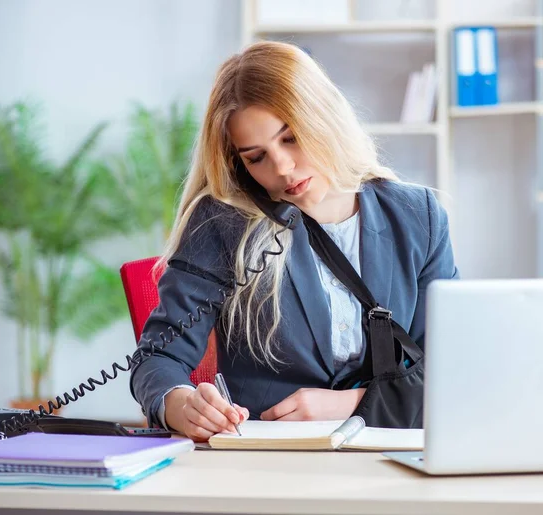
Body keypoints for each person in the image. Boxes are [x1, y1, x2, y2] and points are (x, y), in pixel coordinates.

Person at [129, 40, 459, 442]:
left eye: (290, 138)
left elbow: (452, 365)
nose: (282, 169)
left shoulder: (415, 215)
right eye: (256, 157)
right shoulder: (223, 222)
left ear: (322, 118)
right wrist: (177, 402)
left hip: (390, 448)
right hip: (271, 457)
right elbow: (158, 357)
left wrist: (350, 404)